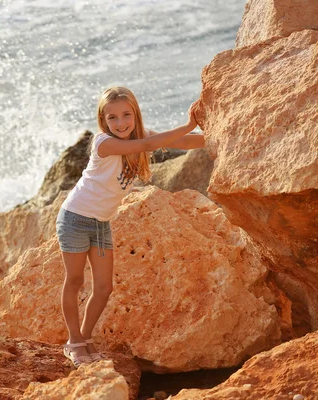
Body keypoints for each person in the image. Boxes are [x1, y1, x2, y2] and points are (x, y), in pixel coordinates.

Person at [56, 86, 204, 368]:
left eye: (126, 115)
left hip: (100, 224)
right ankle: (74, 342)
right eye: (112, 117)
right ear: (103, 120)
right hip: (75, 218)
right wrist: (188, 122)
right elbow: (148, 145)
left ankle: (84, 340)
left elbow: (182, 143)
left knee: (104, 288)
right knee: (74, 281)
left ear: (135, 114)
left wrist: (218, 139)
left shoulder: (140, 136)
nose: (120, 123)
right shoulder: (103, 143)